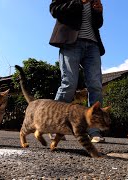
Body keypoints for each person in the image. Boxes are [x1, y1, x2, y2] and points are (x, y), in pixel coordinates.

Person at [49, 0, 106, 143]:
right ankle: (55, 127)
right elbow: (55, 10)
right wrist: (79, 2)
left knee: (96, 86)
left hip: (92, 44)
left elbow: (98, 24)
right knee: (69, 83)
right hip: (71, 43)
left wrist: (99, 12)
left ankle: (94, 130)